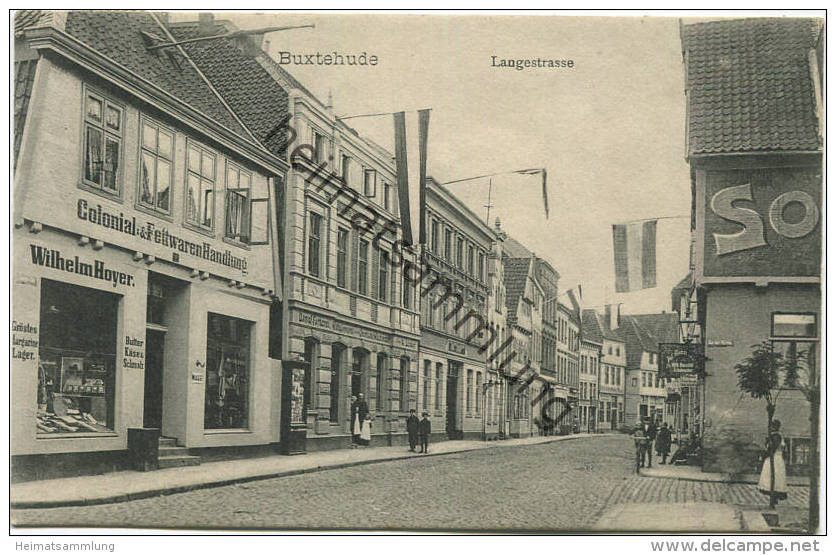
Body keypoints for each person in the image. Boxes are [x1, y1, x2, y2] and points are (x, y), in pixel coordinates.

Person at [758, 419, 788, 508]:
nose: (770, 428)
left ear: (775, 427)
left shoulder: (775, 437)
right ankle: (773, 500)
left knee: (773, 478)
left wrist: (762, 457)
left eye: (772, 426)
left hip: (774, 459)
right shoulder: (779, 436)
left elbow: (771, 449)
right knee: (775, 478)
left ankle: (773, 500)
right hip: (778, 459)